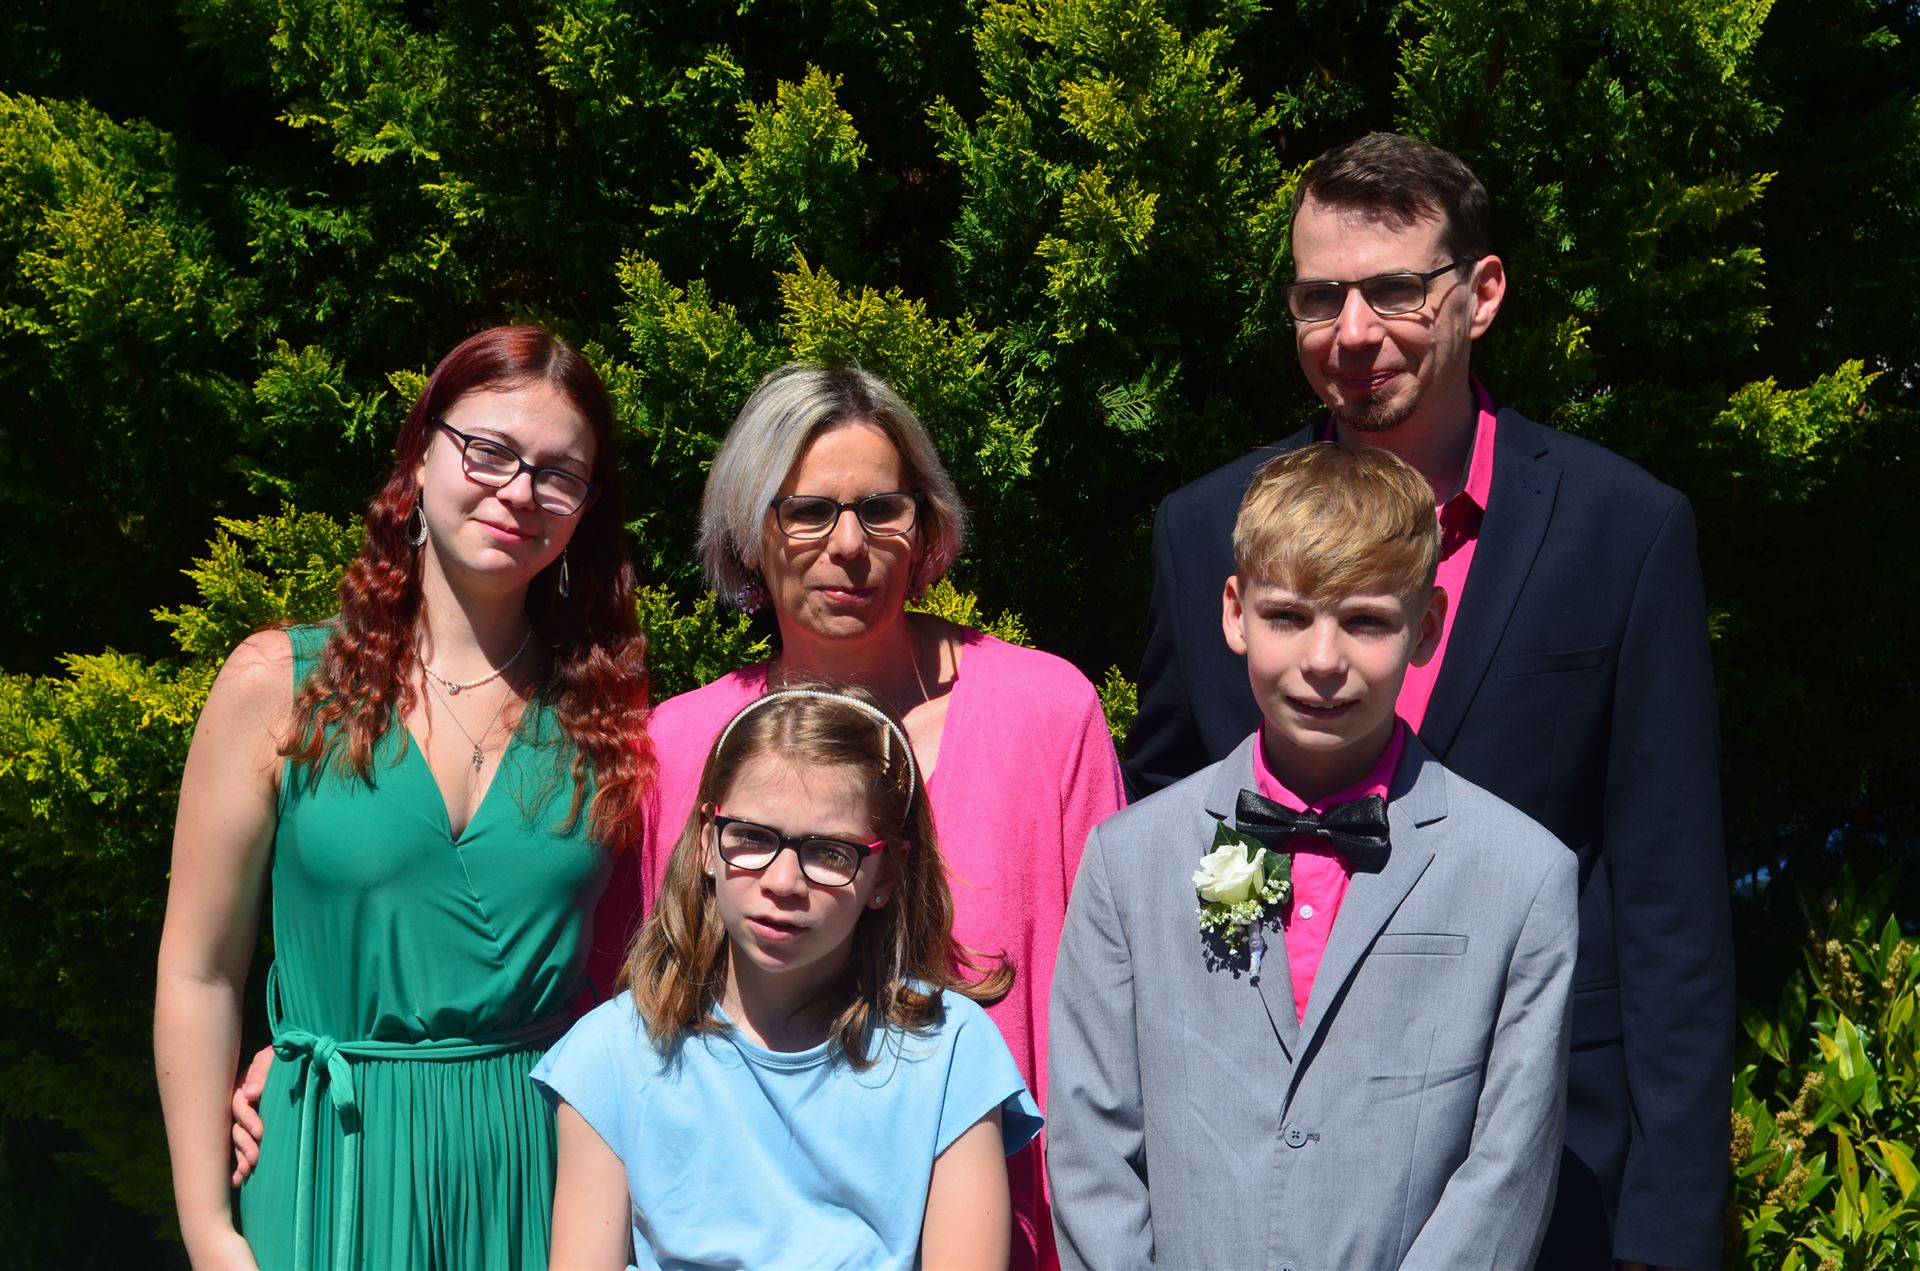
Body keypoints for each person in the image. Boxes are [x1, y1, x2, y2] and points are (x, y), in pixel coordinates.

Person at [1123, 133, 1732, 1270]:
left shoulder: (1622, 529)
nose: (1354, 333)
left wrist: (1672, 1223)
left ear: (1480, 293)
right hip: (1264, 1159)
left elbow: (1672, 895)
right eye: (1321, 297)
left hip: (1557, 1154)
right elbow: (1185, 815)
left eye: (1395, 290)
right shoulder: (1207, 529)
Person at [154, 325, 652, 1270]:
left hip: (538, 1179)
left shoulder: (611, 724)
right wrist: (209, 1230)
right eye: (489, 450)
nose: (520, 491)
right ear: (421, 454)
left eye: (559, 474)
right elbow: (198, 970)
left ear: (585, 509)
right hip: (328, 1165)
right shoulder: (277, 685)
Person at [619, 363, 1124, 1270]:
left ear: (922, 528)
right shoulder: (681, 747)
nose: (848, 544)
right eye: (809, 511)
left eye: (881, 509)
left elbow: (1113, 1005)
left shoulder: (1047, 715)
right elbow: (645, 1017)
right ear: (750, 531)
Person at [1050, 442, 1577, 1268]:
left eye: (1365, 621)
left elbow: (1507, 1169)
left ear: (1426, 627)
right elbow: (1091, 1146)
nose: (1323, 660)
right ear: (1235, 613)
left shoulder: (1524, 876)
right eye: (1289, 616)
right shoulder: (1129, 862)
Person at [536, 686, 1043, 1269]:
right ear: (706, 841)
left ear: (885, 875)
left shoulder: (950, 1051)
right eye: (752, 838)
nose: (783, 883)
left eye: (830, 852)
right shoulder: (611, 1053)